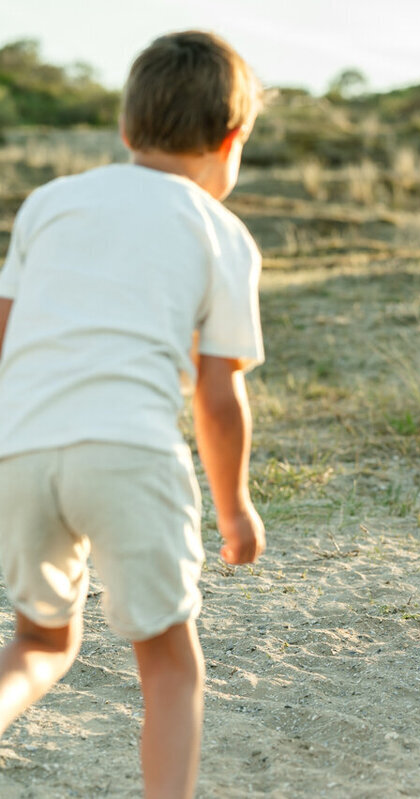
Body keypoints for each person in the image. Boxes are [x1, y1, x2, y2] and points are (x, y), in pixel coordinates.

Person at [0, 31, 266, 799]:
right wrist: (235, 509)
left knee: (40, 640)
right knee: (170, 662)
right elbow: (217, 396)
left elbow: (6, 336)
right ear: (231, 140)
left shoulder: (49, 202)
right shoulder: (223, 233)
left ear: (126, 128)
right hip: (130, 452)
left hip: (22, 450)